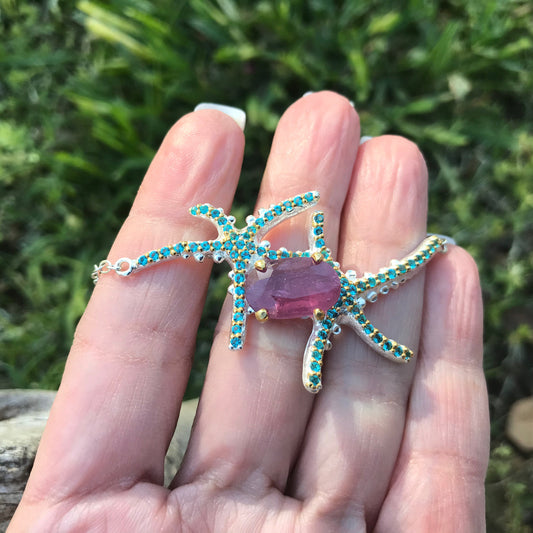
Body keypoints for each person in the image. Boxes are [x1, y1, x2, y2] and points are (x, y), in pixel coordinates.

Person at [8, 91, 489, 532]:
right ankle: (427, 253)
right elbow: (303, 230)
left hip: (328, 292)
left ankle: (428, 253)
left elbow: (308, 228)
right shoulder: (275, 274)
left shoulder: (295, 275)